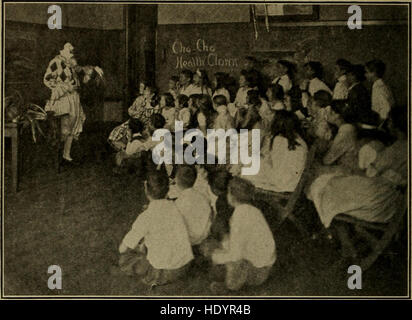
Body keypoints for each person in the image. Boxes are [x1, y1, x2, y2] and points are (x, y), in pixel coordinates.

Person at [308, 105, 406, 232]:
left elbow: (372, 173)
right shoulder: (402, 146)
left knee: (324, 184)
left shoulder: (397, 149)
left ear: (397, 126)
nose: (388, 124)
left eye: (390, 121)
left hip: (380, 200)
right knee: (333, 181)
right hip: (391, 198)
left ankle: (327, 228)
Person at [118, 169, 193, 286]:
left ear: (145, 189)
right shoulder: (176, 207)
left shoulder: (146, 217)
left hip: (164, 271)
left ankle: (153, 278)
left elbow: (122, 248)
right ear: (168, 190)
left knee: (125, 260)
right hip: (185, 265)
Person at [210, 177, 276, 292]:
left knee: (219, 258)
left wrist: (217, 257)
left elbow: (236, 256)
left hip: (258, 271)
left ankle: (229, 288)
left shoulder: (240, 216)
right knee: (223, 246)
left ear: (231, 196)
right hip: (267, 264)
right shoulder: (253, 210)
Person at [44, 42, 103, 164]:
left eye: (72, 47)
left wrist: (91, 72)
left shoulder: (70, 62)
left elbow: (80, 73)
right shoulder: (56, 61)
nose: (72, 49)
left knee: (73, 126)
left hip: (74, 99)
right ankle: (57, 157)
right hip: (62, 99)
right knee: (64, 128)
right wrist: (64, 87)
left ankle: (67, 155)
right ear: (62, 49)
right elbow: (47, 80)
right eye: (68, 47)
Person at [245, 110, 308, 193]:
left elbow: (273, 164)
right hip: (292, 182)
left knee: (246, 170)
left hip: (282, 183)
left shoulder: (279, 140)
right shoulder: (299, 140)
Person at [174, 166, 212, 246]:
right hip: (204, 238)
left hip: (189, 242)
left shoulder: (178, 204)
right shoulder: (203, 198)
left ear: (176, 181)